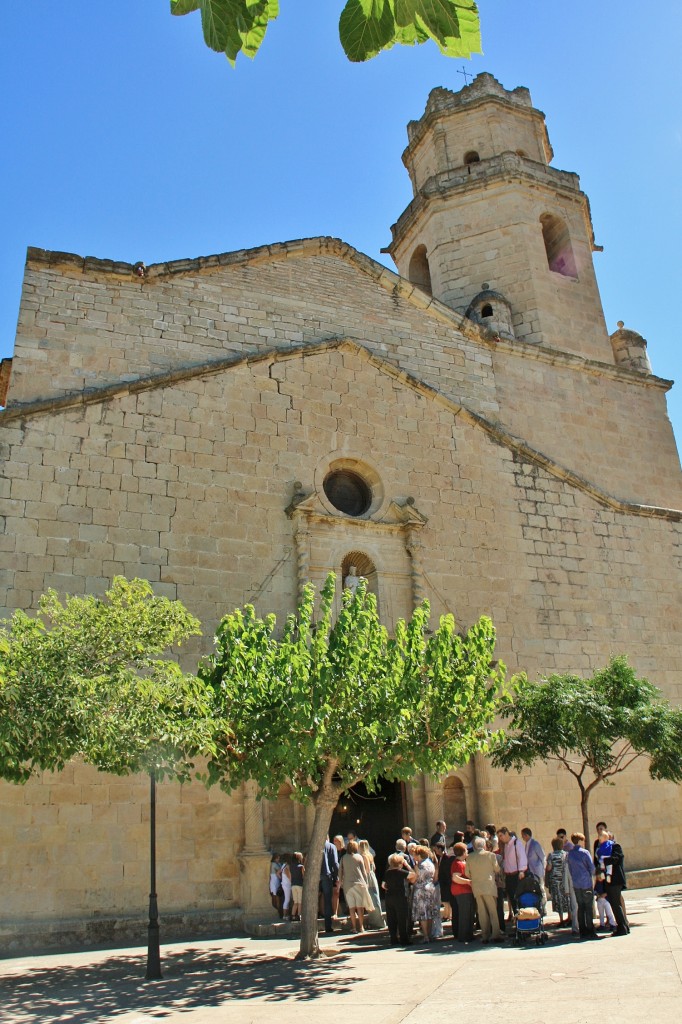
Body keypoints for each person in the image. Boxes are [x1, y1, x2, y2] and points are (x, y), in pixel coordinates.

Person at [466, 836, 504, 942]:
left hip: (477, 887)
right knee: (492, 911)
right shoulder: (491, 855)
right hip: (489, 886)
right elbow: (497, 869)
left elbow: (466, 873)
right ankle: (495, 934)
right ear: (484, 845)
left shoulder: (469, 857)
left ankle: (485, 935)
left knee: (481, 911)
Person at [596, 829, 630, 936]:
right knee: (615, 904)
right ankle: (624, 926)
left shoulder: (616, 847)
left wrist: (604, 861)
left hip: (615, 880)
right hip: (608, 881)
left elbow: (616, 859)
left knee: (616, 904)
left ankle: (622, 928)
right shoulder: (601, 849)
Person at [566, 833, 599, 939]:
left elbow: (570, 869)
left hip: (576, 884)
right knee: (588, 907)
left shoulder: (570, 854)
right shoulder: (585, 853)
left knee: (580, 907)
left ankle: (582, 931)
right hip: (586, 883)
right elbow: (592, 868)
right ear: (580, 841)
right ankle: (590, 930)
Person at [338, 839, 374, 933]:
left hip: (347, 885)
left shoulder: (343, 858)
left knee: (352, 908)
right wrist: (366, 882)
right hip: (359, 883)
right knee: (360, 907)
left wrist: (341, 882)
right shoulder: (359, 857)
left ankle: (354, 927)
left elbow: (340, 872)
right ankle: (361, 927)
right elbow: (364, 871)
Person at [412, 844, 441, 942]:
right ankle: (428, 933)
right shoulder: (430, 863)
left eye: (415, 854)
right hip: (430, 889)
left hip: (421, 890)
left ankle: (425, 936)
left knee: (423, 913)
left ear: (419, 855)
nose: (413, 856)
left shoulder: (420, 866)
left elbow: (416, 878)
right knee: (429, 912)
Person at [496, 827, 527, 917]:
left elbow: (522, 857)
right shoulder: (506, 845)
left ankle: (522, 920)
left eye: (501, 835)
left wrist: (521, 871)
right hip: (508, 876)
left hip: (516, 875)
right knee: (512, 899)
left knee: (518, 899)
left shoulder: (516, 843)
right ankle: (517, 919)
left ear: (506, 833)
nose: (500, 838)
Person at [382, 853, 412, 945]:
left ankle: (393, 939)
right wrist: (407, 865)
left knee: (391, 919)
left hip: (389, 897)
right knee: (402, 918)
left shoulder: (387, 872)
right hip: (400, 897)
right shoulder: (401, 872)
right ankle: (404, 939)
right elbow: (413, 875)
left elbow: (383, 885)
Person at [450, 842, 476, 943]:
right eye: (466, 850)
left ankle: (468, 934)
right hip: (462, 891)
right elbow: (455, 878)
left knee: (468, 913)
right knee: (465, 913)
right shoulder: (457, 864)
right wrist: (468, 882)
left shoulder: (460, 862)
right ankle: (463, 936)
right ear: (463, 852)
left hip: (464, 891)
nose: (467, 852)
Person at [545, 837, 571, 926]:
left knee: (558, 899)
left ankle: (561, 919)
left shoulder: (551, 855)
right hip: (564, 880)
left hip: (555, 880)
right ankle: (570, 917)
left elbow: (549, 867)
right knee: (567, 898)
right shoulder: (566, 854)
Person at [319, 835, 339, 933]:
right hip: (327, 875)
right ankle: (328, 926)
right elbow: (335, 863)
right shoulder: (331, 847)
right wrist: (337, 878)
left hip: (316, 875)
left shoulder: (315, 846)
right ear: (328, 838)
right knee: (327, 900)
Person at [358, 839, 382, 912]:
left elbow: (367, 869)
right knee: (375, 894)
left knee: (370, 896)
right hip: (372, 876)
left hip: (367, 877)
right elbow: (374, 867)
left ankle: (373, 913)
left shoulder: (364, 856)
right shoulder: (370, 855)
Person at [289, 851, 305, 921]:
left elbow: (290, 876)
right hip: (299, 884)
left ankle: (292, 915)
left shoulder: (291, 866)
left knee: (295, 902)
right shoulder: (301, 866)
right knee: (300, 902)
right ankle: (299, 915)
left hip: (293, 885)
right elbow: (304, 876)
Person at [269, 853, 284, 918]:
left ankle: (279, 910)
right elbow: (280, 870)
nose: (278, 859)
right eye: (277, 858)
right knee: (275, 896)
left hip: (278, 881)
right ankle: (276, 910)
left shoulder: (278, 864)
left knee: (278, 896)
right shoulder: (273, 864)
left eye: (279, 858)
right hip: (274, 881)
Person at [280, 853, 293, 921]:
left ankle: (286, 915)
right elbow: (289, 876)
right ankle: (285, 915)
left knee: (287, 899)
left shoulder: (283, 865)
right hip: (287, 885)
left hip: (284, 884)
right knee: (287, 900)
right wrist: (292, 882)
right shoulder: (287, 866)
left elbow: (278, 873)